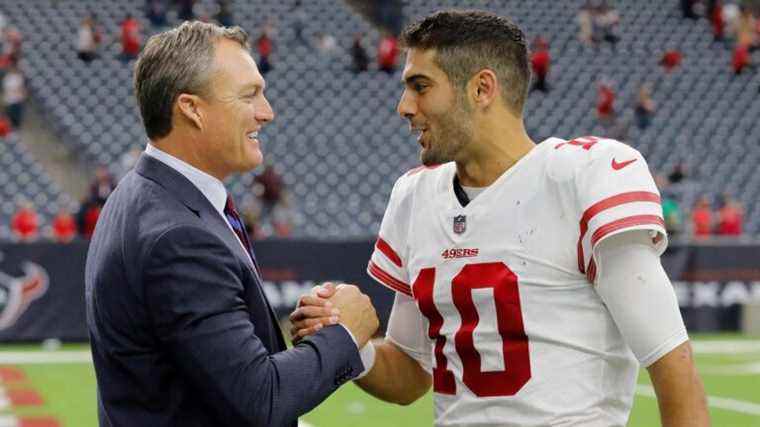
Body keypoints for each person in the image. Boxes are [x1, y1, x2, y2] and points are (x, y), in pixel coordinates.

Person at [292, 10, 709, 427]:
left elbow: (672, 366)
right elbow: (410, 373)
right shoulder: (415, 196)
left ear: (482, 88)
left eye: (421, 86)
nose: (404, 106)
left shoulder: (582, 177)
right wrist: (350, 342)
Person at [85, 21, 378, 427]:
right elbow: (261, 398)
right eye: (249, 95)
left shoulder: (144, 195)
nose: (267, 112)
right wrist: (345, 334)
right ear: (191, 108)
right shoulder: (179, 236)